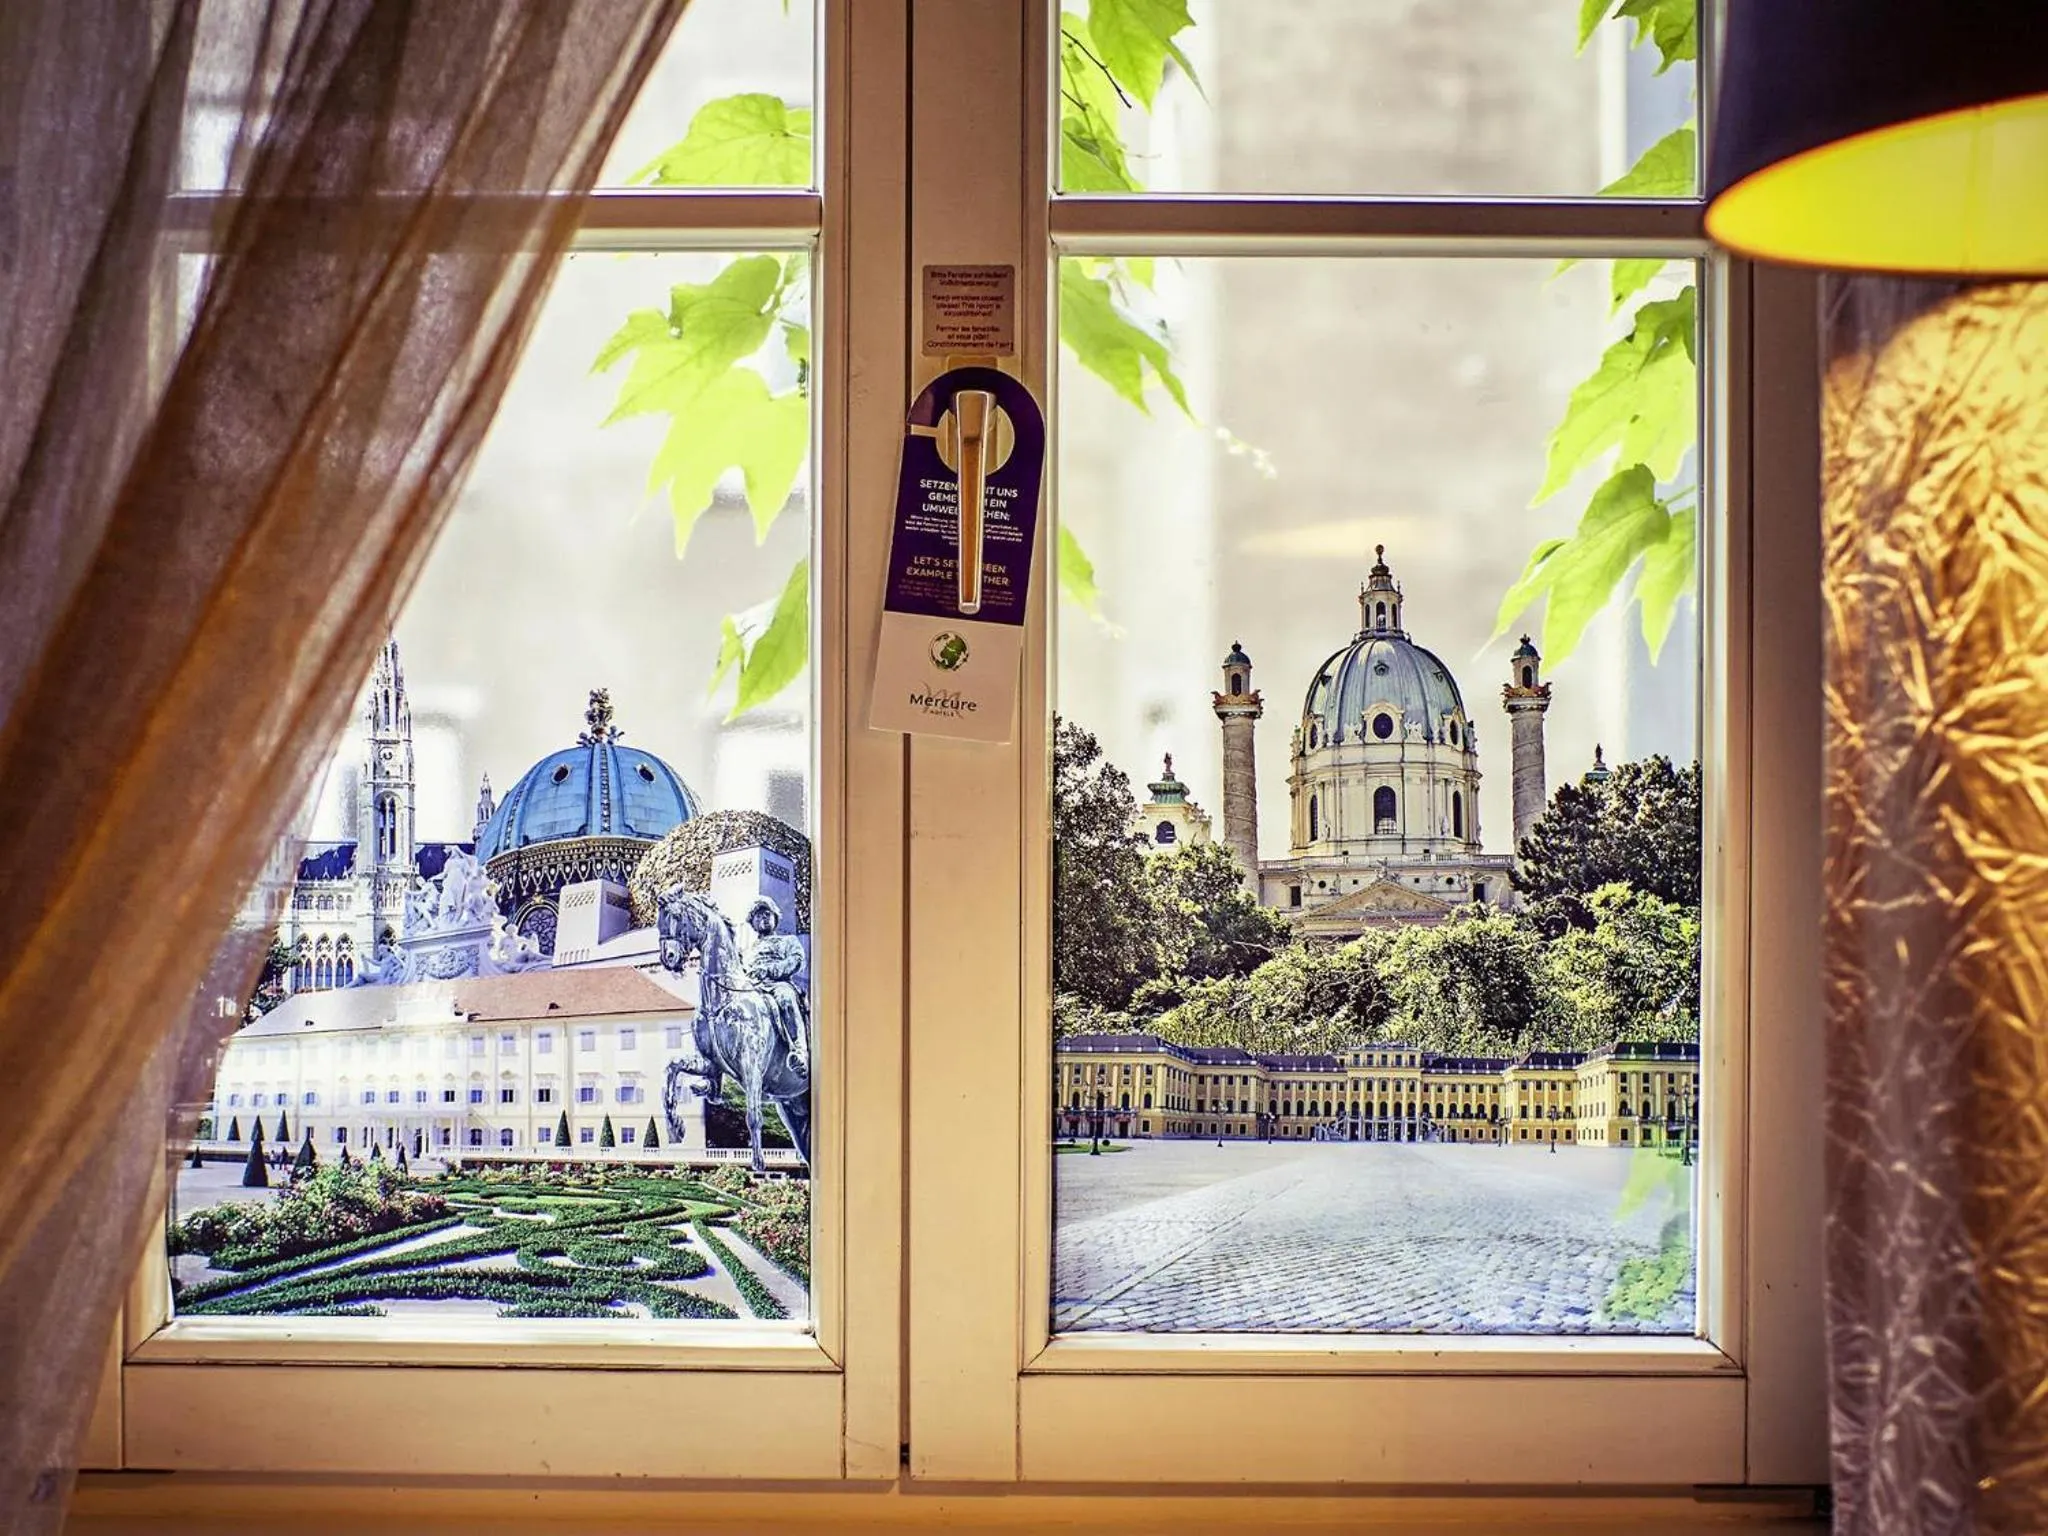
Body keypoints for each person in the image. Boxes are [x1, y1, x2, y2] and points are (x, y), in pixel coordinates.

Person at [741, 897, 809, 1077]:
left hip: (778, 985)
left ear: (775, 918)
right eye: (758, 915)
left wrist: (769, 970)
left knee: (786, 998)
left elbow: (796, 961)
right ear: (752, 923)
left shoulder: (787, 941)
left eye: (767, 914)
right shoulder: (747, 951)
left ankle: (799, 1052)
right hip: (752, 988)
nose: (763, 918)